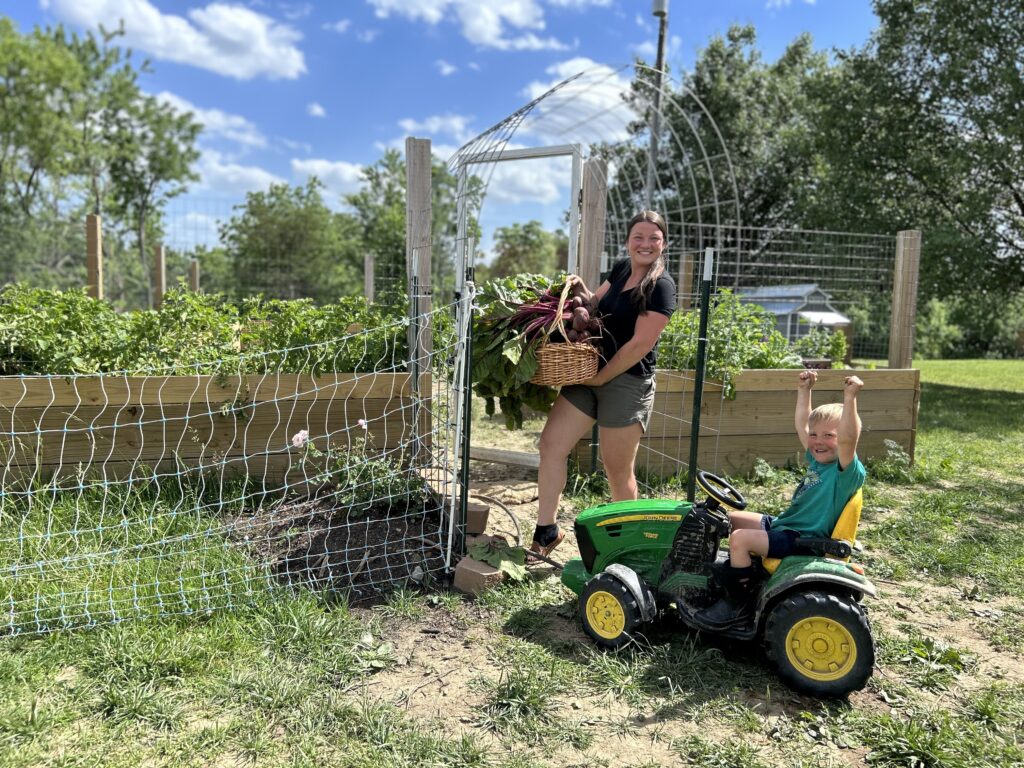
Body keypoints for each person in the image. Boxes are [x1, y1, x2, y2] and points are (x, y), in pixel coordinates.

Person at [531, 210, 677, 558]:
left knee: (617, 469)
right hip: (587, 372)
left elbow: (639, 345)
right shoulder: (621, 269)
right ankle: (546, 531)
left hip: (626, 383)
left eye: (653, 238)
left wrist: (601, 377)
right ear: (628, 241)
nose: (645, 244)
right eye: (638, 237)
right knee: (551, 445)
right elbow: (594, 305)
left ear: (663, 243)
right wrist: (577, 289)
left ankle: (630, 548)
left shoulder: (662, 287)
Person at [694, 370, 867, 628]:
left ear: (840, 440)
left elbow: (848, 438)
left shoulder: (845, 472)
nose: (818, 441)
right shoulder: (818, 460)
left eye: (828, 436)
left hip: (805, 539)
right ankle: (739, 572)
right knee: (730, 520)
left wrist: (850, 397)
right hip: (787, 526)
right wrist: (804, 390)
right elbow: (802, 425)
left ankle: (738, 602)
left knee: (739, 540)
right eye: (815, 435)